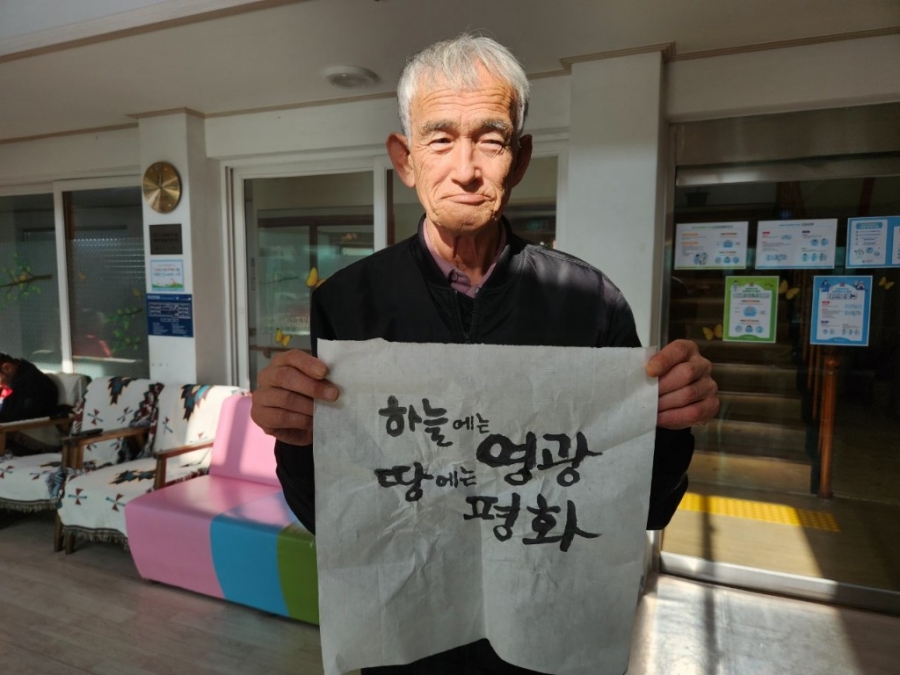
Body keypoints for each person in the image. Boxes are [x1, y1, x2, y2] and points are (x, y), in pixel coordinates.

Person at [251, 34, 719, 674]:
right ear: (405, 159)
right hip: (407, 639)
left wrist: (669, 424)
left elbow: (642, 508)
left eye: (491, 141)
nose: (466, 169)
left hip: (544, 640)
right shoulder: (348, 302)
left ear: (519, 159)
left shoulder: (590, 302)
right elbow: (330, 518)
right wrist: (295, 436)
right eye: (440, 139)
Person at [0, 352, 60, 454]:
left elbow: (22, 415)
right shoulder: (20, 378)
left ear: (7, 368)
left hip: (36, 434)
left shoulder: (32, 383)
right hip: (18, 428)